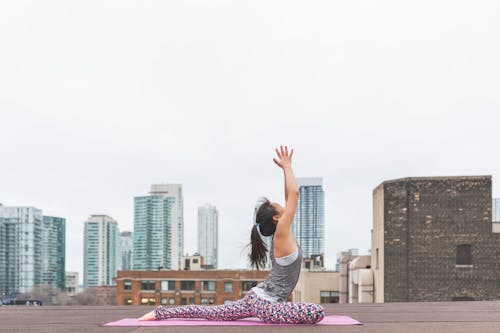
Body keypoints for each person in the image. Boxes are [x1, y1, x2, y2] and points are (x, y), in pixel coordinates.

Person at [138, 146, 325, 324]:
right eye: (279, 205)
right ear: (277, 218)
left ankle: (161, 312)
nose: (284, 204)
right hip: (267, 304)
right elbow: (293, 193)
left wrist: (285, 170)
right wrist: (288, 167)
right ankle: (161, 312)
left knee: (213, 313)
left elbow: (289, 195)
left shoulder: (283, 234)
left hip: (258, 298)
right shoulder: (281, 235)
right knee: (316, 311)